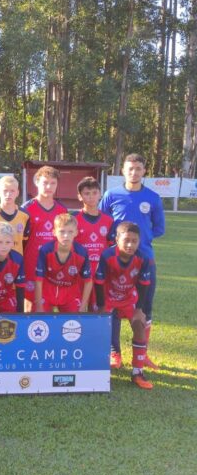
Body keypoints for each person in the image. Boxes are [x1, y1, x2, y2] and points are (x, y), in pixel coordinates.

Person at [100, 153, 165, 370]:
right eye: (130, 168)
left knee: (145, 306)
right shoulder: (112, 194)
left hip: (145, 259)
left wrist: (140, 242)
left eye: (138, 168)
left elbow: (159, 228)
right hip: (116, 263)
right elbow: (104, 222)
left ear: (144, 171)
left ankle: (142, 354)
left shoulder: (153, 197)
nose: (134, 172)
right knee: (113, 304)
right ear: (123, 171)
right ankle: (114, 353)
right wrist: (118, 243)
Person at [94, 222, 154, 389]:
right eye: (126, 240)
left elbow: (143, 284)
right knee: (97, 326)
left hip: (129, 298)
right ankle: (96, 367)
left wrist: (139, 310)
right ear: (116, 239)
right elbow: (98, 282)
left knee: (139, 325)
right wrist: (100, 306)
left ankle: (137, 372)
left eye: (134, 241)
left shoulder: (143, 258)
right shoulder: (107, 255)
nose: (130, 245)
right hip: (108, 297)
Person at [22, 166, 68, 309]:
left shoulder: (62, 210)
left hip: (54, 266)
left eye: (53, 183)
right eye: (45, 182)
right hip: (31, 264)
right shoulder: (26, 209)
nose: (49, 186)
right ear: (37, 182)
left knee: (51, 304)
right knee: (32, 307)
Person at [33, 214, 92, 313]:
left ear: (76, 233)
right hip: (47, 291)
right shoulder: (46, 250)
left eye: (70, 232)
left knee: (75, 324)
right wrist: (39, 305)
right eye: (62, 231)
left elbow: (88, 281)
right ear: (54, 232)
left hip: (70, 293)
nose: (66, 235)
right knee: (40, 321)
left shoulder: (82, 253)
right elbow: (38, 279)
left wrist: (83, 306)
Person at [74, 176, 114, 312]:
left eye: (94, 193)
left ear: (100, 194)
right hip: (79, 272)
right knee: (77, 309)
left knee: (98, 310)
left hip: (100, 271)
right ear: (80, 196)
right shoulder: (74, 219)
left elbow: (111, 246)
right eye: (86, 193)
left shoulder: (108, 220)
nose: (91, 197)